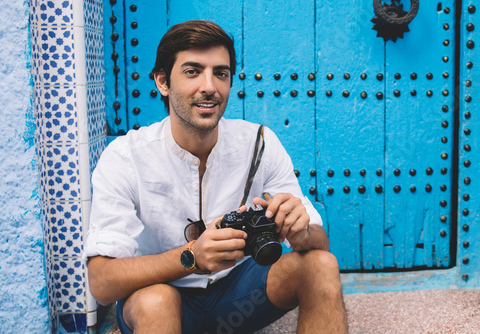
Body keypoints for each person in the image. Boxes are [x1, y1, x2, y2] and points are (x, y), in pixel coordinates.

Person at [84, 20, 347, 333]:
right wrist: (192, 257)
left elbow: (320, 242)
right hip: (163, 299)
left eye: (220, 73)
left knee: (320, 265)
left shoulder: (259, 143)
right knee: (157, 301)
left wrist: (299, 230)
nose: (209, 86)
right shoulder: (125, 156)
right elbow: (101, 282)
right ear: (163, 82)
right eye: (193, 71)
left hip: (238, 298)